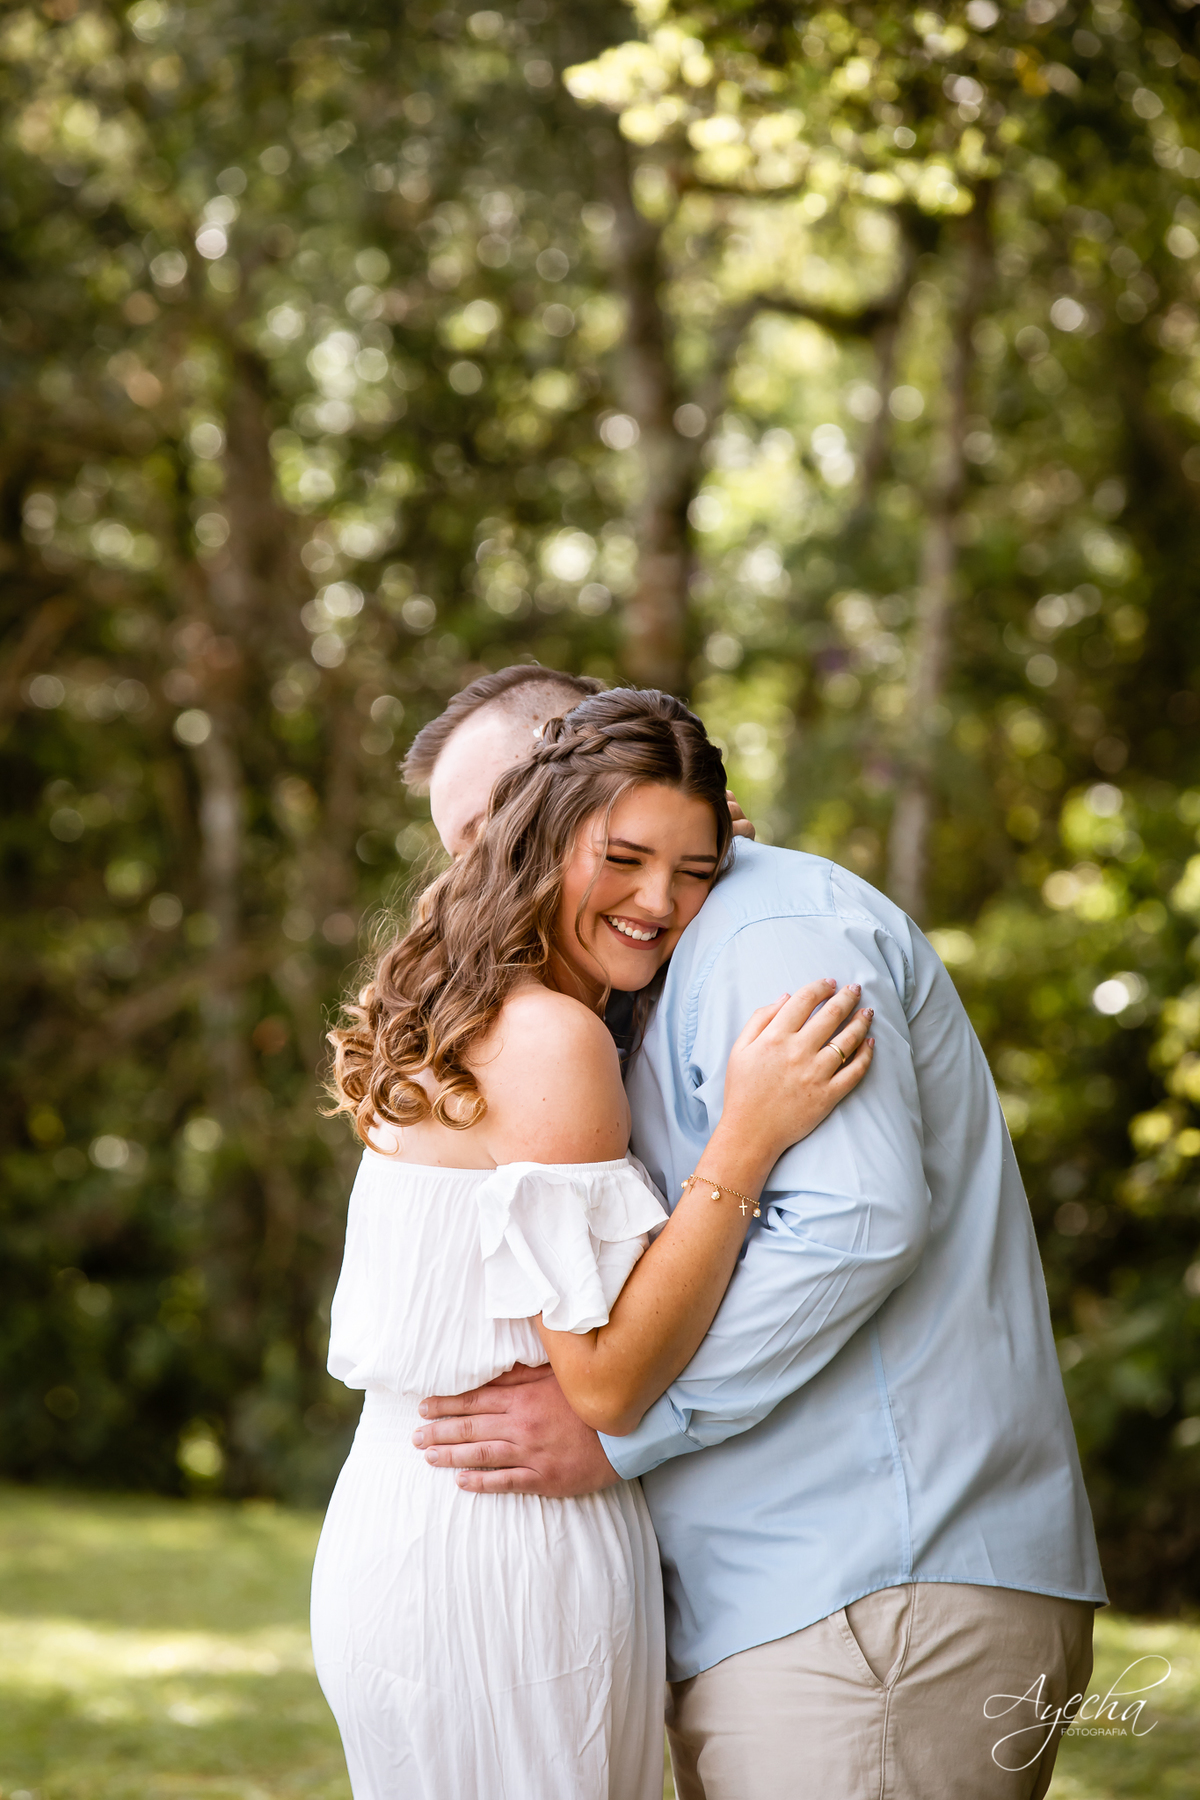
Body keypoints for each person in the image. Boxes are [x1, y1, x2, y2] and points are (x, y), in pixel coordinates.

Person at [410, 669, 1109, 1800]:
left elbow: (852, 1224)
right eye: (460, 844)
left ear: (568, 780)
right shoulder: (628, 980)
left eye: (496, 821)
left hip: (874, 1598)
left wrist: (623, 1431)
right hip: (797, 1610)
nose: (478, 866)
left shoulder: (769, 930)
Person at [310, 688, 874, 1800]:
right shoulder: (551, 1041)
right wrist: (749, 1137)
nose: (661, 900)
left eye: (695, 871)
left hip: (415, 1522)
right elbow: (608, 1384)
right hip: (505, 1553)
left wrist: (645, 861)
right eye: (622, 858)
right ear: (541, 837)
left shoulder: (469, 998)